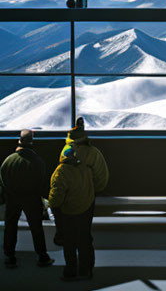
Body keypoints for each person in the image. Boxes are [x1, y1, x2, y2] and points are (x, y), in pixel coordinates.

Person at [54, 117, 108, 258]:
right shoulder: (93, 152)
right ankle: (86, 269)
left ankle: (70, 270)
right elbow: (101, 175)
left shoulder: (65, 151)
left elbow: (60, 178)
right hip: (87, 199)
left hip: (68, 201)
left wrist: (56, 202)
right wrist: (93, 189)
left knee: (69, 237)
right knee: (84, 234)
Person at [0, 130, 54, 269]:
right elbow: (42, 182)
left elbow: (3, 180)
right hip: (32, 198)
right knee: (36, 228)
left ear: (19, 142)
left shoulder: (9, 160)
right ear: (31, 142)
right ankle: (42, 256)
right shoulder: (38, 162)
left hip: (13, 197)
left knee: (10, 227)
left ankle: (10, 257)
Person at [48, 144, 94, 281]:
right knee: (85, 241)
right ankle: (86, 271)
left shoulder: (61, 172)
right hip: (85, 210)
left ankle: (70, 271)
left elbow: (56, 197)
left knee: (70, 243)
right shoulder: (86, 169)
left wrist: (51, 205)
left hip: (69, 213)